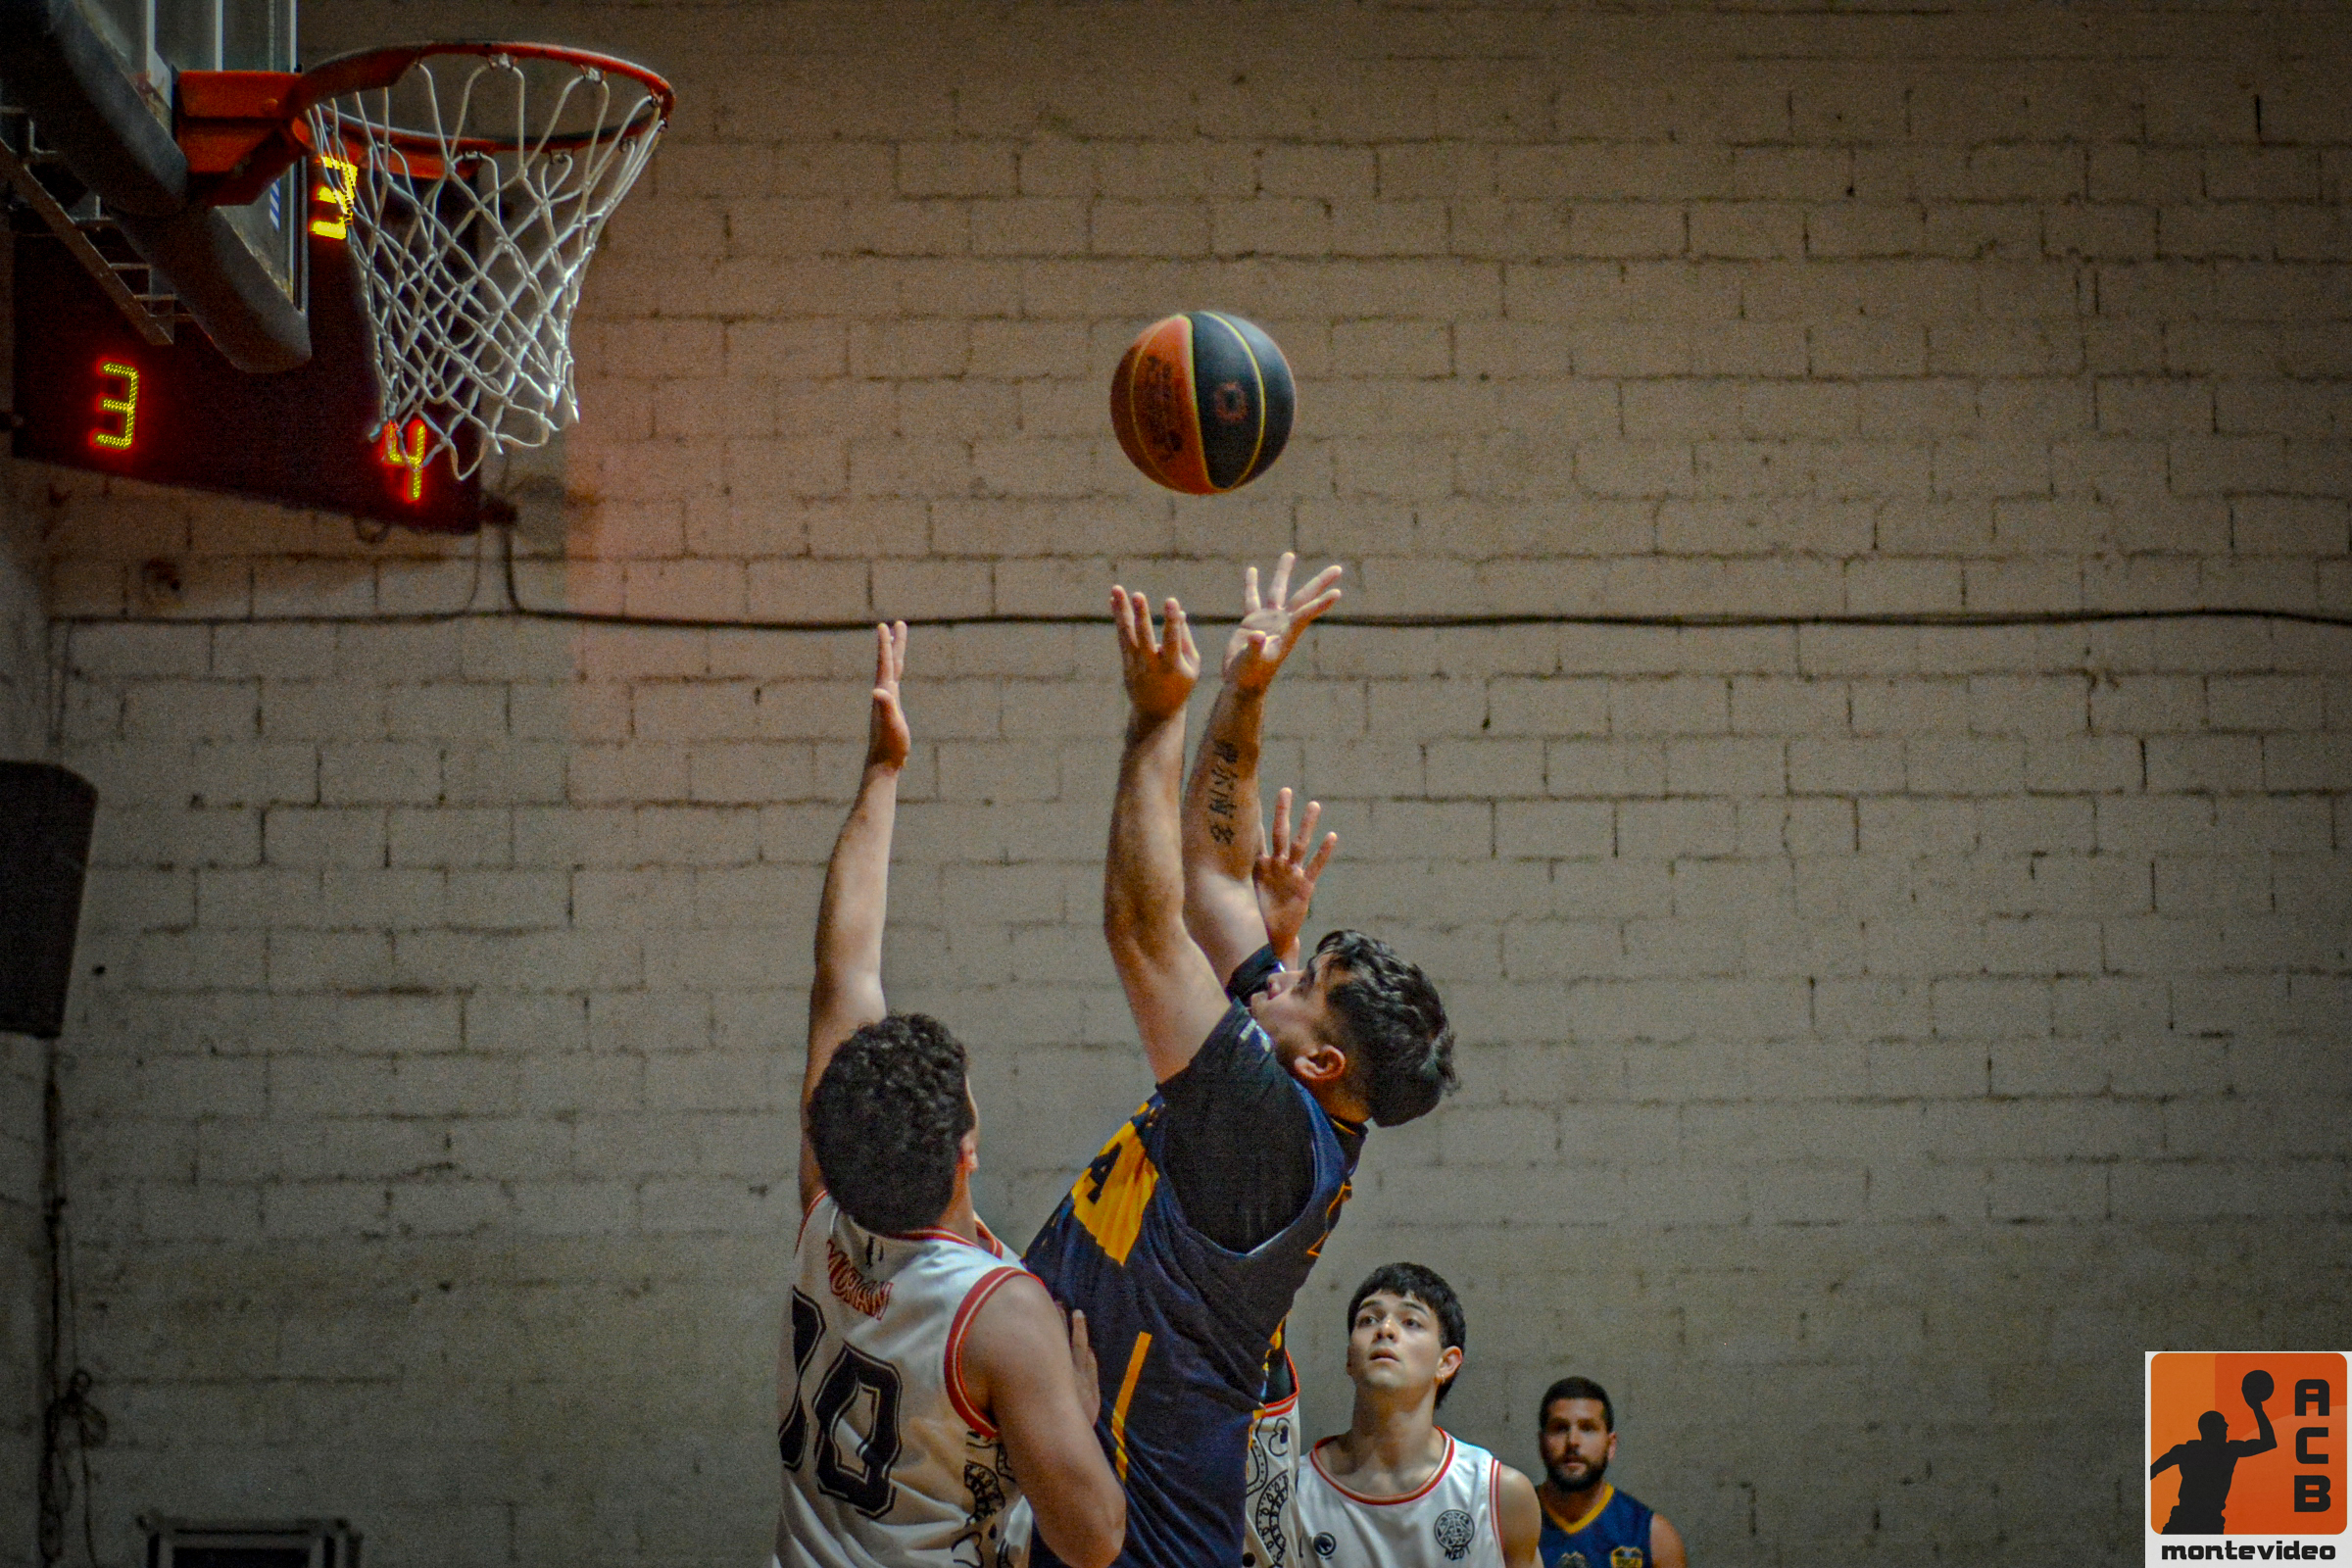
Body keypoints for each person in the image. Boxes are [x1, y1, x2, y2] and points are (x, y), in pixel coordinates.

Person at [1021, 566, 1457, 1568]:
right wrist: (1246, 689)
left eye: (1302, 979)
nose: (1277, 967)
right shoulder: (1293, 1076)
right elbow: (1214, 878)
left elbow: (1144, 928)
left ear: (1324, 1061)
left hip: (1145, 1541)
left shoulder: (1264, 1128)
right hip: (1103, 1500)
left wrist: (1155, 721)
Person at [778, 623, 1124, 1568]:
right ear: (967, 1150)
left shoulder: (823, 1210)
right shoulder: (1000, 1314)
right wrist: (1074, 1414)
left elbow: (842, 972)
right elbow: (1094, 1541)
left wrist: (883, 771)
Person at [1272, 1262, 1542, 1568]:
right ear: (1349, 1358)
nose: (1385, 1329)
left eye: (1411, 1322)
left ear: (1447, 1363)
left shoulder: (1500, 1495)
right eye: (1368, 1320)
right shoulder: (1290, 1493)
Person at [1533, 1378, 1688, 1568]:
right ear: (1541, 1444)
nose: (1573, 1441)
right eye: (1560, 1428)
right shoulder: (1506, 1523)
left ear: (1611, 1445)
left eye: (1588, 1428)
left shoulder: (1653, 1537)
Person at [2151, 1392, 2278, 1533]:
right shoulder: (2228, 1450)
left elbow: (2152, 1470)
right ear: (2212, 1428)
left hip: (2193, 1520)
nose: (2226, 1425)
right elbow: (2268, 1442)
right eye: (2222, 1423)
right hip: (2201, 1521)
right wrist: (2257, 1409)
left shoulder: (2186, 1450)